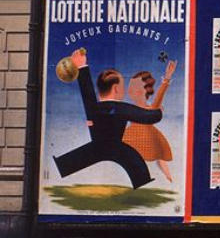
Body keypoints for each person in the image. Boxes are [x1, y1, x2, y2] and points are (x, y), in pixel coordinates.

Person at [52, 48, 163, 189]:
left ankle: (62, 166)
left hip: (98, 149)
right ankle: (142, 181)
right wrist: (159, 111)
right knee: (138, 168)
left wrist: (81, 67)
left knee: (66, 164)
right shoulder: (119, 108)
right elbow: (150, 117)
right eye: (122, 86)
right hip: (116, 149)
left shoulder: (94, 108)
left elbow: (88, 96)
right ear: (116, 89)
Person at [123, 60, 176, 183]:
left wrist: (167, 78)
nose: (130, 91)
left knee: (159, 157)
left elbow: (158, 100)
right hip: (132, 137)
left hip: (148, 137)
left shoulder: (150, 108)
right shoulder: (130, 108)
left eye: (134, 88)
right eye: (130, 87)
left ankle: (169, 179)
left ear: (145, 90)